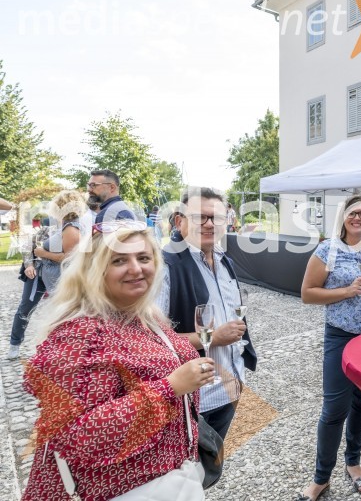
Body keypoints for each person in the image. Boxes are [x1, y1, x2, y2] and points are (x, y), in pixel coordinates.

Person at [22, 224, 214, 501]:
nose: (136, 269)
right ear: (94, 270)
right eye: (119, 260)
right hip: (117, 490)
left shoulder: (143, 316)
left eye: (144, 258)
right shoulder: (80, 334)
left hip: (170, 480)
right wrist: (170, 387)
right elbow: (79, 438)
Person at [298, 195, 361, 500]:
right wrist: (345, 291)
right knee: (333, 409)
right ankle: (320, 477)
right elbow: (307, 294)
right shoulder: (327, 249)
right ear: (342, 216)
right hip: (340, 336)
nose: (358, 218)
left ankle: (353, 462)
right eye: (353, 213)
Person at [158, 187, 256, 440]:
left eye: (217, 218)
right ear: (180, 221)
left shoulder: (225, 261)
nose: (210, 224)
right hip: (196, 399)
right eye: (200, 217)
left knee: (212, 468)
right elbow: (151, 343)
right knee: (191, 474)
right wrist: (211, 337)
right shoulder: (165, 267)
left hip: (232, 384)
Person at [32, 190, 87, 295]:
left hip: (64, 283)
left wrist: (43, 253)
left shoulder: (71, 228)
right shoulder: (67, 225)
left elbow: (69, 258)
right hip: (58, 282)